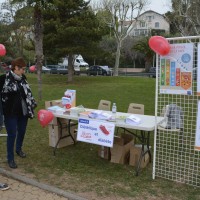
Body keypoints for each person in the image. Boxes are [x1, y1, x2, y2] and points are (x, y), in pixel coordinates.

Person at [0, 57, 37, 169]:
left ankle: (18, 149)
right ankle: (10, 158)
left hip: (23, 111)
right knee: (12, 134)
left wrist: (32, 103)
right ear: (16, 68)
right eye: (22, 69)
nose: (24, 71)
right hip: (10, 113)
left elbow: (27, 92)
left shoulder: (23, 78)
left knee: (22, 131)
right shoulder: (3, 79)